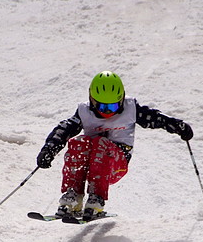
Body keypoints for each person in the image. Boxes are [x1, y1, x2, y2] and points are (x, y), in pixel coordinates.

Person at [36, 71, 193, 220]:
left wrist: (177, 126)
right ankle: (74, 195)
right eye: (102, 107)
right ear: (91, 100)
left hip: (116, 164)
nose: (107, 112)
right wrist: (49, 149)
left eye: (113, 107)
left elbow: (156, 118)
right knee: (78, 142)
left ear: (121, 99)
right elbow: (64, 130)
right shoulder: (84, 112)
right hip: (90, 165)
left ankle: (96, 198)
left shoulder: (131, 109)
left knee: (100, 143)